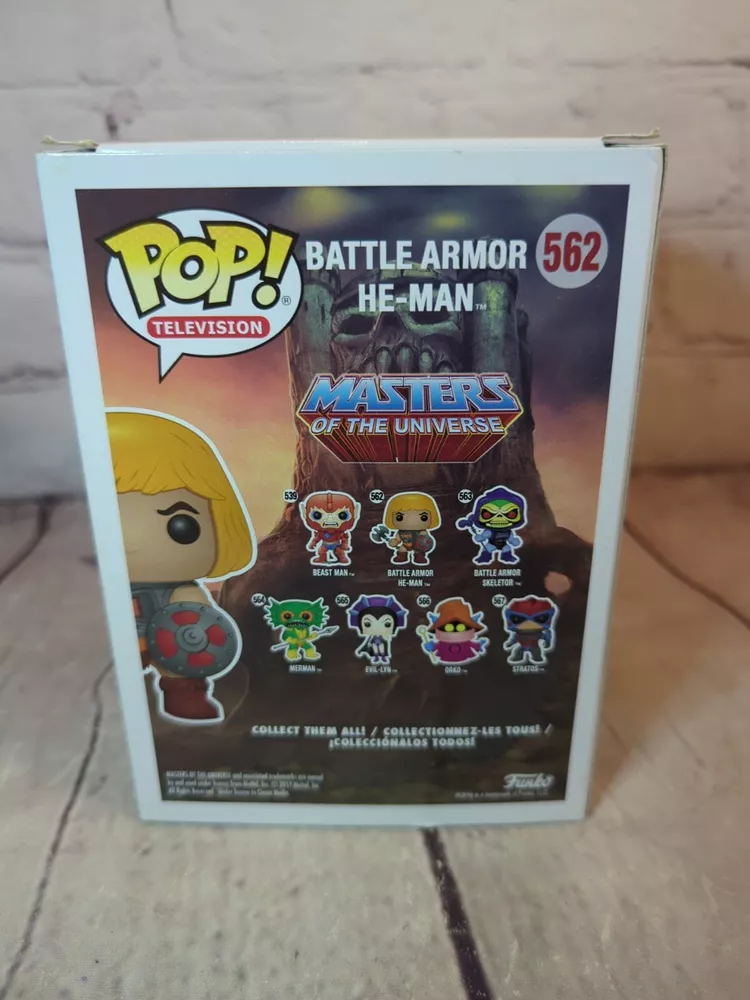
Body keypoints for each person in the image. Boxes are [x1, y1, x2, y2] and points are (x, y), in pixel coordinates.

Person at [107, 409, 254, 723]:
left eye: (181, 524)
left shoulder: (178, 589)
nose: (131, 540)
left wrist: (193, 614)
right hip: (101, 648)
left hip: (167, 639)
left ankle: (185, 692)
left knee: (181, 659)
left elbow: (199, 618)